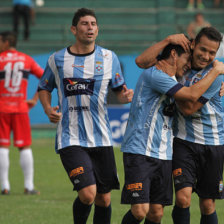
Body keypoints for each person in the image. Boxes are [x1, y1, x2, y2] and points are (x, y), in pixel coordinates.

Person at [38, 8, 133, 224]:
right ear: (74, 29)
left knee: (104, 197)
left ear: (97, 29)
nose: (90, 27)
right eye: (84, 23)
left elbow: (120, 89)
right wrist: (47, 108)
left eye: (93, 24)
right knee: (88, 193)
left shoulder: (109, 57)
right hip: (70, 137)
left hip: (101, 137)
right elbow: (44, 87)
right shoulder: (58, 59)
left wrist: (126, 95)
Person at [120, 35, 224, 224]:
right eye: (187, 59)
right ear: (175, 55)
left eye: (212, 52)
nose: (189, 65)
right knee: (140, 211)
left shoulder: (178, 78)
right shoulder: (156, 74)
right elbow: (189, 98)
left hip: (165, 152)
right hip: (140, 150)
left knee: (157, 213)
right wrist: (216, 72)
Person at [0, 31, 43, 195]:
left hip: (2, 107)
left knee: (2, 146)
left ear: (5, 42)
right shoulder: (26, 59)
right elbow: (45, 77)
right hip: (20, 108)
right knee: (24, 146)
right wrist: (35, 98)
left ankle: (5, 186)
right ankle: (29, 186)